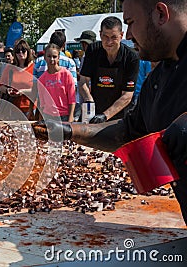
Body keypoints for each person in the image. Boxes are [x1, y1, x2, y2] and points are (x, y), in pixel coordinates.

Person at [34, 0, 187, 225]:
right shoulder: (157, 80)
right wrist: (69, 130)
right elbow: (129, 131)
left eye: (132, 23)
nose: (130, 36)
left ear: (161, 14)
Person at [79, 16, 139, 123]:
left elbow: (127, 95)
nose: (109, 41)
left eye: (114, 37)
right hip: (94, 111)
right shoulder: (93, 50)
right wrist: (89, 101)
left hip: (119, 115)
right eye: (105, 36)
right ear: (100, 34)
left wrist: (105, 116)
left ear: (121, 35)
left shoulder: (131, 57)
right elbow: (83, 81)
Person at [37, 43, 75, 122]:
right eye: (49, 56)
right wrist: (40, 120)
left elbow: (72, 99)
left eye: (54, 57)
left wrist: (71, 118)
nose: (52, 59)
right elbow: (41, 103)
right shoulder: (42, 79)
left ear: (58, 58)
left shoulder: (66, 75)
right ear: (44, 57)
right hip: (48, 116)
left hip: (64, 116)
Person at [0, 39, 35, 120]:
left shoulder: (34, 67)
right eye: (18, 51)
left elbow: (38, 89)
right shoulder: (10, 68)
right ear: (15, 53)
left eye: (23, 50)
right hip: (13, 108)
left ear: (28, 51)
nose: (21, 53)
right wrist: (7, 90)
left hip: (30, 108)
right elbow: (1, 86)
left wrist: (23, 92)